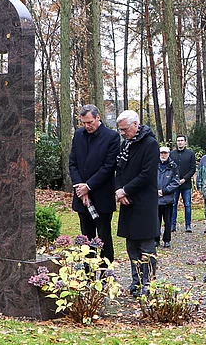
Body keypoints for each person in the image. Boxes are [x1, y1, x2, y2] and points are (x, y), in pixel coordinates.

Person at [114, 110, 160, 293]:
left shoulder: (150, 144)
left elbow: (147, 175)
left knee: (146, 247)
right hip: (127, 202)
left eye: (125, 129)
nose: (123, 133)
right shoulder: (126, 144)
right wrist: (119, 191)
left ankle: (148, 283)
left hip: (144, 203)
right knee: (131, 245)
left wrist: (125, 190)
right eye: (121, 130)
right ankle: (136, 281)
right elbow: (119, 169)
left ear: (135, 124)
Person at [68, 104, 119, 262]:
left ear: (98, 118)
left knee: (104, 238)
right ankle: (87, 274)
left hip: (101, 196)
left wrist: (88, 186)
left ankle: (105, 274)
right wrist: (79, 187)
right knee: (86, 238)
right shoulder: (78, 135)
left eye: (89, 122)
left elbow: (109, 167)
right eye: (83, 123)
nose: (87, 126)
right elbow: (73, 163)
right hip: (82, 197)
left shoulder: (112, 137)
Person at [170, 135, 196, 233]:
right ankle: (172, 225)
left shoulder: (190, 154)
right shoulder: (172, 154)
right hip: (174, 184)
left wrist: (184, 179)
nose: (180, 142)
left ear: (185, 142)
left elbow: (193, 168)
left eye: (181, 140)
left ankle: (188, 225)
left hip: (186, 184)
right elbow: (170, 168)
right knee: (173, 205)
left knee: (188, 205)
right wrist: (175, 180)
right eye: (178, 140)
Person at [156, 146, 180, 249]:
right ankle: (155, 239)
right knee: (156, 221)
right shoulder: (153, 165)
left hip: (167, 199)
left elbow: (175, 182)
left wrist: (164, 191)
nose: (163, 155)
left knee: (168, 221)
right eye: (162, 153)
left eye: (165, 153)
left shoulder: (173, 166)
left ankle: (167, 240)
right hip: (155, 199)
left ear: (168, 154)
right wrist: (155, 191)